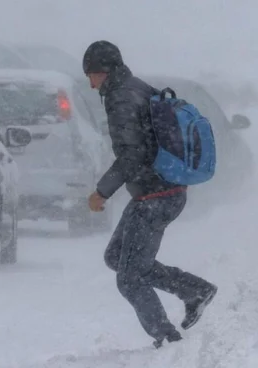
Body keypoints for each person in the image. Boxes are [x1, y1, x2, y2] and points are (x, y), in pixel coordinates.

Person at [82, 40, 218, 348]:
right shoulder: (135, 88)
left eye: (90, 75)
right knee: (117, 257)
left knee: (129, 277)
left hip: (156, 196)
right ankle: (194, 290)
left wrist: (101, 192)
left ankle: (167, 339)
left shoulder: (121, 97)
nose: (89, 85)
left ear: (102, 72)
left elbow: (132, 154)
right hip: (161, 192)